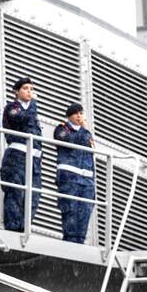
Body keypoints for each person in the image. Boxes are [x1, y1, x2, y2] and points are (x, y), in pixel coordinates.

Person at [0, 77, 42, 231]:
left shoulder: (32, 111)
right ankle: (12, 230)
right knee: (15, 194)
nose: (29, 92)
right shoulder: (13, 107)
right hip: (17, 158)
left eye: (31, 89)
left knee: (33, 197)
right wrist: (33, 105)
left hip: (34, 161)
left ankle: (24, 230)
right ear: (16, 92)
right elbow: (20, 119)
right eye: (25, 88)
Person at [54, 103, 95, 243]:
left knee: (84, 214)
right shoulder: (62, 129)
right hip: (70, 180)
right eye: (76, 113)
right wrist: (83, 131)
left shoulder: (87, 133)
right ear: (69, 115)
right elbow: (69, 141)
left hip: (86, 181)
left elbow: (91, 158)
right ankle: (70, 244)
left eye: (81, 113)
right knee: (70, 214)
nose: (79, 116)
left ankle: (80, 242)